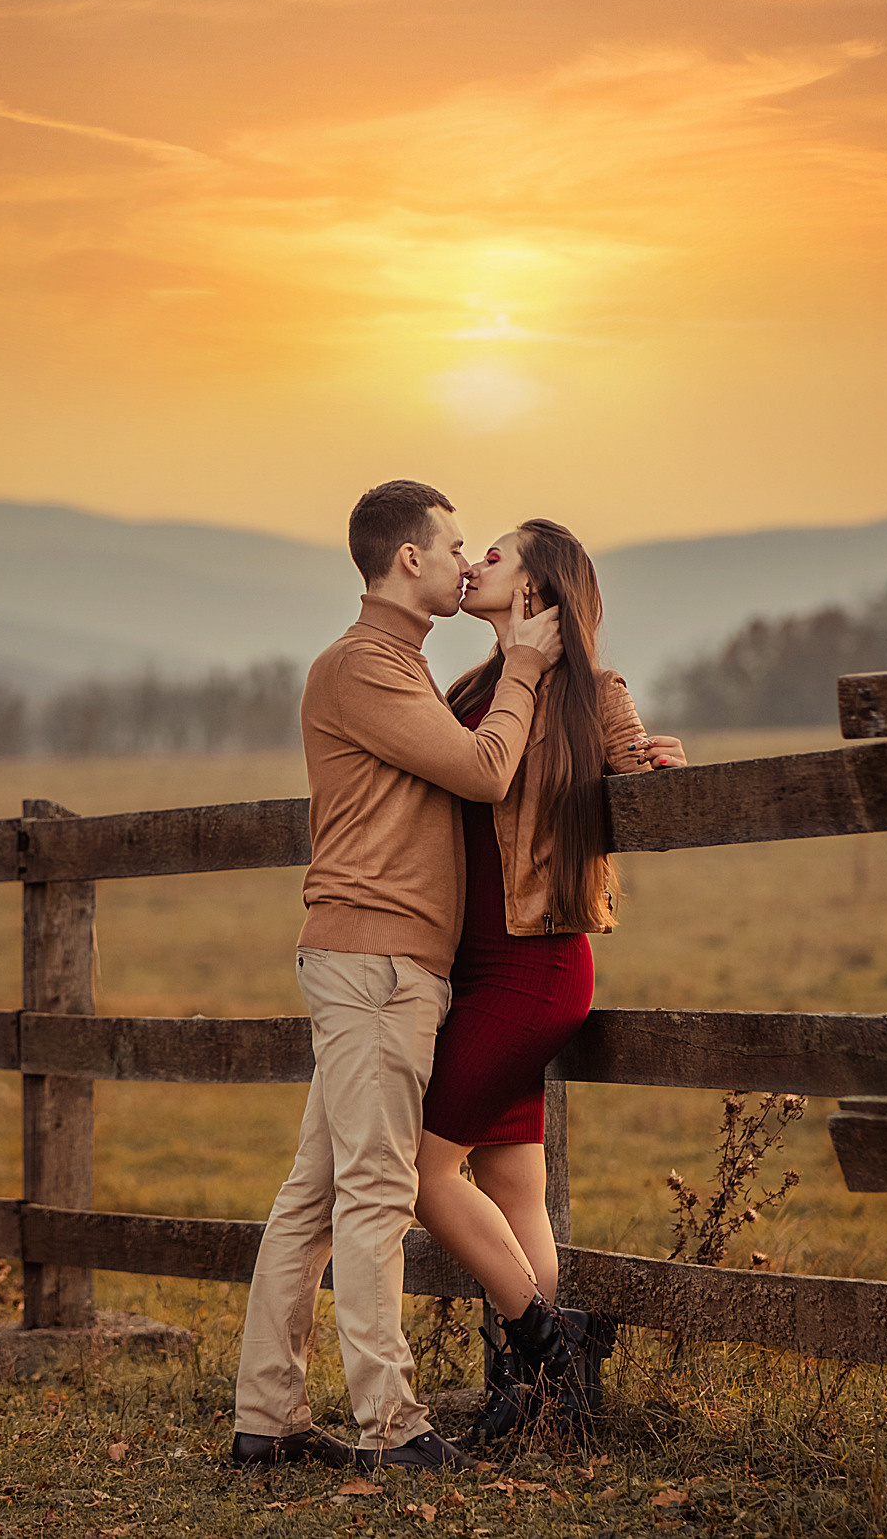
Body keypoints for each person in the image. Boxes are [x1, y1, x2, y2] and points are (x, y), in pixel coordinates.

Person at [230, 480, 563, 1474]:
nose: (469, 562)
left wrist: (621, 751)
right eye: (456, 544)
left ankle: (268, 1420)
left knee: (316, 1195)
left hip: (375, 959)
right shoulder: (365, 667)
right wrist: (524, 667)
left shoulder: (398, 665)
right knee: (376, 1195)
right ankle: (391, 1429)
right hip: (376, 962)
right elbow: (482, 771)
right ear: (407, 558)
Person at [412, 519, 685, 1446]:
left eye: (495, 555)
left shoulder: (593, 694)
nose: (477, 564)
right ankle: (528, 1397)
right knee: (510, 1181)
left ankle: (553, 1351)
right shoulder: (470, 693)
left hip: (537, 967)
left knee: (419, 1170)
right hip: (473, 966)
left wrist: (658, 772)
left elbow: (638, 777)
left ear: (538, 587)